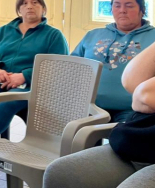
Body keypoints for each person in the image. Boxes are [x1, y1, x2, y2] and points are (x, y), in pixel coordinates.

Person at [43, 41, 155, 188]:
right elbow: (132, 83)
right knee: (59, 172)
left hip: (126, 112)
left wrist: (142, 97)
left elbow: (143, 95)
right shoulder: (93, 35)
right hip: (136, 133)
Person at [0, 0, 69, 138]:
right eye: (24, 3)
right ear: (19, 9)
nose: (29, 6)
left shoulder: (54, 35)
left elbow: (57, 67)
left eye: (35, 2)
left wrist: (24, 76)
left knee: (8, 102)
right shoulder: (3, 31)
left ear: (43, 8)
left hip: (31, 85)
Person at [72, 0, 155, 123]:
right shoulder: (92, 35)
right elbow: (71, 67)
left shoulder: (153, 38)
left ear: (142, 10)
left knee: (123, 135)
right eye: (117, 5)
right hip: (89, 108)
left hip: (135, 111)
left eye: (129, 6)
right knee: (72, 132)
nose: (122, 10)